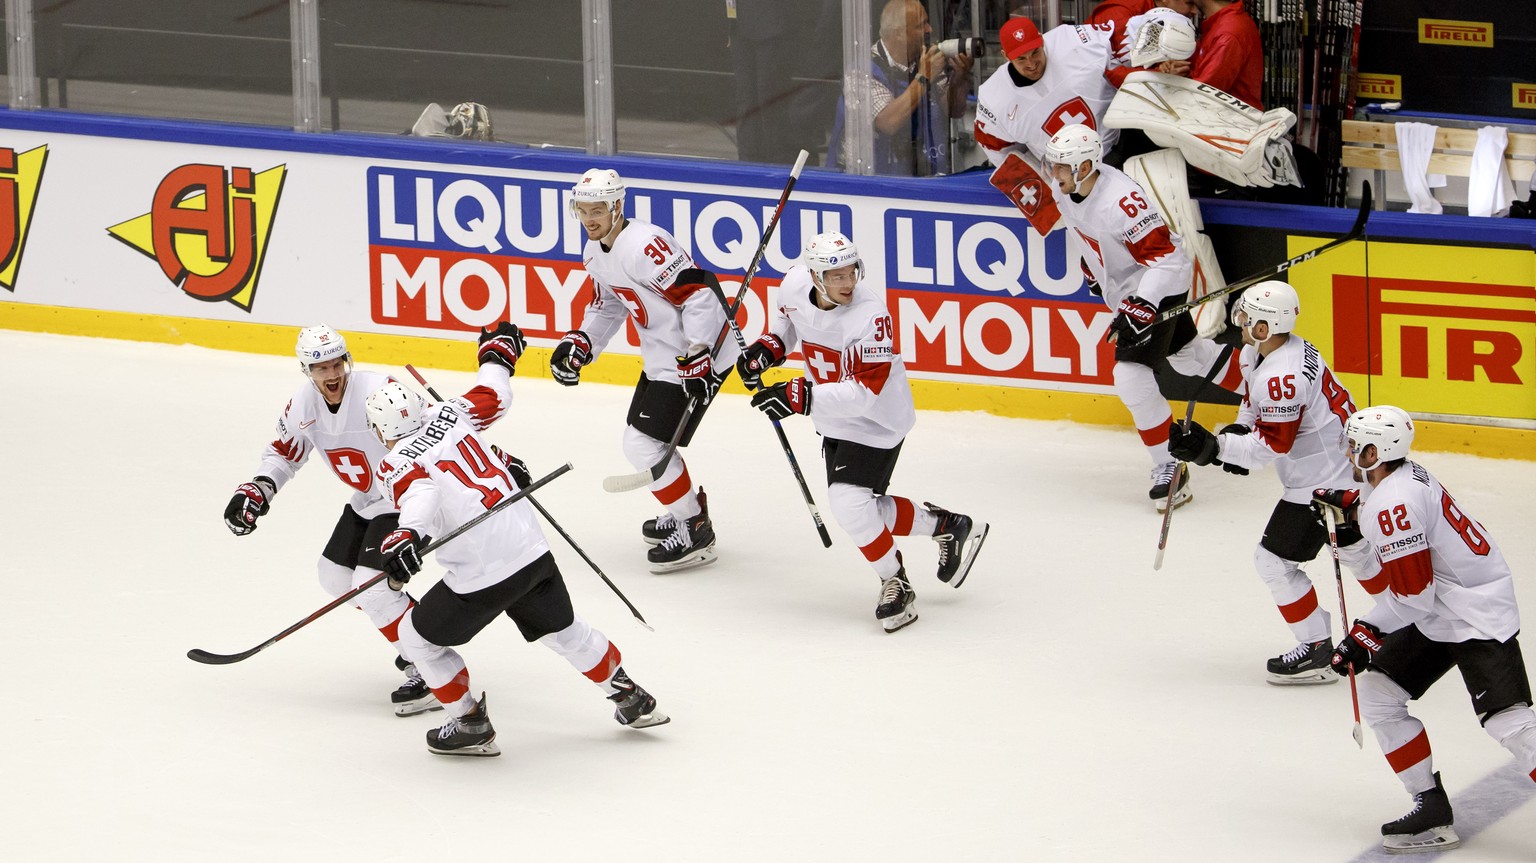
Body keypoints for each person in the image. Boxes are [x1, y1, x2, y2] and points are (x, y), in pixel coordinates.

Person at [221, 323, 517, 716]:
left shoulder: (380, 390)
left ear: (347, 360)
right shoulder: (303, 406)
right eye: (320, 367)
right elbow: (283, 453)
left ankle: (429, 667)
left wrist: (494, 457)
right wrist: (260, 487)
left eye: (336, 363)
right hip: (368, 500)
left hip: (410, 497)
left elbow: (438, 428)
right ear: (306, 370)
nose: (331, 374)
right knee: (334, 577)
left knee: (372, 589)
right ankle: (415, 642)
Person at [364, 378, 668, 757]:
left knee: (415, 638)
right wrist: (496, 358)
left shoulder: (393, 462)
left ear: (380, 430)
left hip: (481, 574)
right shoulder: (451, 412)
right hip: (532, 553)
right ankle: (629, 696)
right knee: (564, 631)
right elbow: (495, 396)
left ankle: (469, 722)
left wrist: (407, 533)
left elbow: (422, 492)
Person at [737, 232, 988, 633]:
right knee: (860, 507)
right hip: (831, 417)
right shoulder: (793, 285)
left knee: (850, 506)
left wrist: (799, 397)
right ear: (815, 276)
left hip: (876, 420)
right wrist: (766, 350)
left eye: (851, 271)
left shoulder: (871, 316)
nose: (847, 282)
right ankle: (947, 525)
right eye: (835, 275)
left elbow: (864, 393)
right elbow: (787, 325)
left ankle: (896, 581)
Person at [1314, 406, 1536, 854]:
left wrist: (1365, 634)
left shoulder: (1392, 503)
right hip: (1445, 609)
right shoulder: (1399, 481)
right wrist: (1357, 515)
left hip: (1474, 613)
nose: (1350, 451)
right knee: (1378, 692)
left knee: (1509, 723)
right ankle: (1430, 808)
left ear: (1380, 451)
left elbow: (1413, 596)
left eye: (1359, 446)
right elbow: (1412, 588)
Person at [1167, 281, 1388, 683]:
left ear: (1267, 327)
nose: (1240, 322)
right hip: (1345, 469)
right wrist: (1235, 434)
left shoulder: (1281, 375)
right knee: (1356, 551)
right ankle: (1409, 618)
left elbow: (1273, 446)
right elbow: (1254, 404)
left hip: (1325, 485)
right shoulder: (1277, 351)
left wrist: (1212, 449)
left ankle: (1317, 649)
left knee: (1272, 561)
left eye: (1247, 317)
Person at [1043, 123, 1242, 510]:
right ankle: (1265, 390)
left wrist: (1144, 302)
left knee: (1130, 377)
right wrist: (1093, 269)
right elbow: (1080, 229)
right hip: (1128, 292)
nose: (1055, 174)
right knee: (1191, 357)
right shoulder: (1064, 186)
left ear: (1085, 167)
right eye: (1054, 166)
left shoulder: (1123, 202)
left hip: (1158, 285)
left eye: (1062, 167)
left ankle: (1171, 466)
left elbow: (1171, 262)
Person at [551, 168, 737, 573]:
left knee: (642, 444)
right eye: (581, 210)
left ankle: (694, 527)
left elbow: (699, 294)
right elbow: (607, 305)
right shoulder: (595, 251)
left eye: (597, 209)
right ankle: (683, 507)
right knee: (646, 440)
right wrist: (582, 342)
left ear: (617, 206)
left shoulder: (645, 245)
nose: (589, 219)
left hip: (695, 355)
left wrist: (700, 351)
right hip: (664, 356)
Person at [827, 0, 974, 176]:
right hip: (871, 182)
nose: (930, 30)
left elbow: (953, 110)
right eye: (922, 25)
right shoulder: (860, 72)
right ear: (899, 34)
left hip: (926, 174)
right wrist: (924, 77)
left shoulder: (924, 60)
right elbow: (888, 122)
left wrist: (960, 75)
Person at [973, 16, 1121, 170]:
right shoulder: (993, 99)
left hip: (1118, 149)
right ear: (1005, 56)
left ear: (1042, 40)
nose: (1031, 64)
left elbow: (1123, 42)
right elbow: (999, 151)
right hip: (1068, 180)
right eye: (1021, 59)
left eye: (1035, 52)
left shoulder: (1071, 40)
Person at [1162, 0, 1263, 110]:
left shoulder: (1228, 33)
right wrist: (1177, 71)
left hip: (1225, 121)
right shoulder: (1220, 23)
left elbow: (1204, 94)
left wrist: (1170, 82)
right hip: (1219, 117)